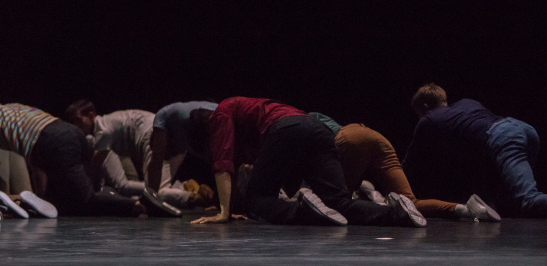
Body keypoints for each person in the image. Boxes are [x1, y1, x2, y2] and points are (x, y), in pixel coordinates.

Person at [191, 97, 426, 228]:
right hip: (317, 129)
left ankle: (307, 213)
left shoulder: (220, 113)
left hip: (288, 128)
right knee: (338, 203)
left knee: (257, 199)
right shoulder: (247, 117)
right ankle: (398, 214)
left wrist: (224, 212)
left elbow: (222, 163)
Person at [0, 96, 173, 218]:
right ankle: (110, 197)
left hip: (54, 142)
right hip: (67, 132)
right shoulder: (4, 110)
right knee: (63, 204)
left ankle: (139, 204)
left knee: (84, 199)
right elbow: (36, 161)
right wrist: (40, 196)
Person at [309, 113, 498, 221]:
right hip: (377, 137)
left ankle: (386, 208)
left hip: (349, 136)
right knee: (411, 201)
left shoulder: (308, 118)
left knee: (337, 202)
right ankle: (467, 209)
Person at [404, 83, 547, 218]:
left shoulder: (428, 120)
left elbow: (411, 162)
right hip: (522, 128)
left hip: (504, 137)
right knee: (508, 204)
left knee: (528, 200)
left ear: (424, 106)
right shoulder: (467, 103)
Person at [64, 100, 183, 214]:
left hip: (150, 133)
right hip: (152, 130)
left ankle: (187, 194)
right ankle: (178, 190)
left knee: (154, 192)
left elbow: (95, 167)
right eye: (73, 122)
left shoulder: (103, 131)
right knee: (146, 189)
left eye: (78, 120)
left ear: (91, 115)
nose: (76, 126)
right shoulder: (106, 124)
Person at [146, 100, 219, 208]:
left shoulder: (163, 119)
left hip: (220, 116)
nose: (171, 158)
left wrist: (150, 202)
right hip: (215, 115)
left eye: (169, 154)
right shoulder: (190, 142)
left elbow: (156, 162)